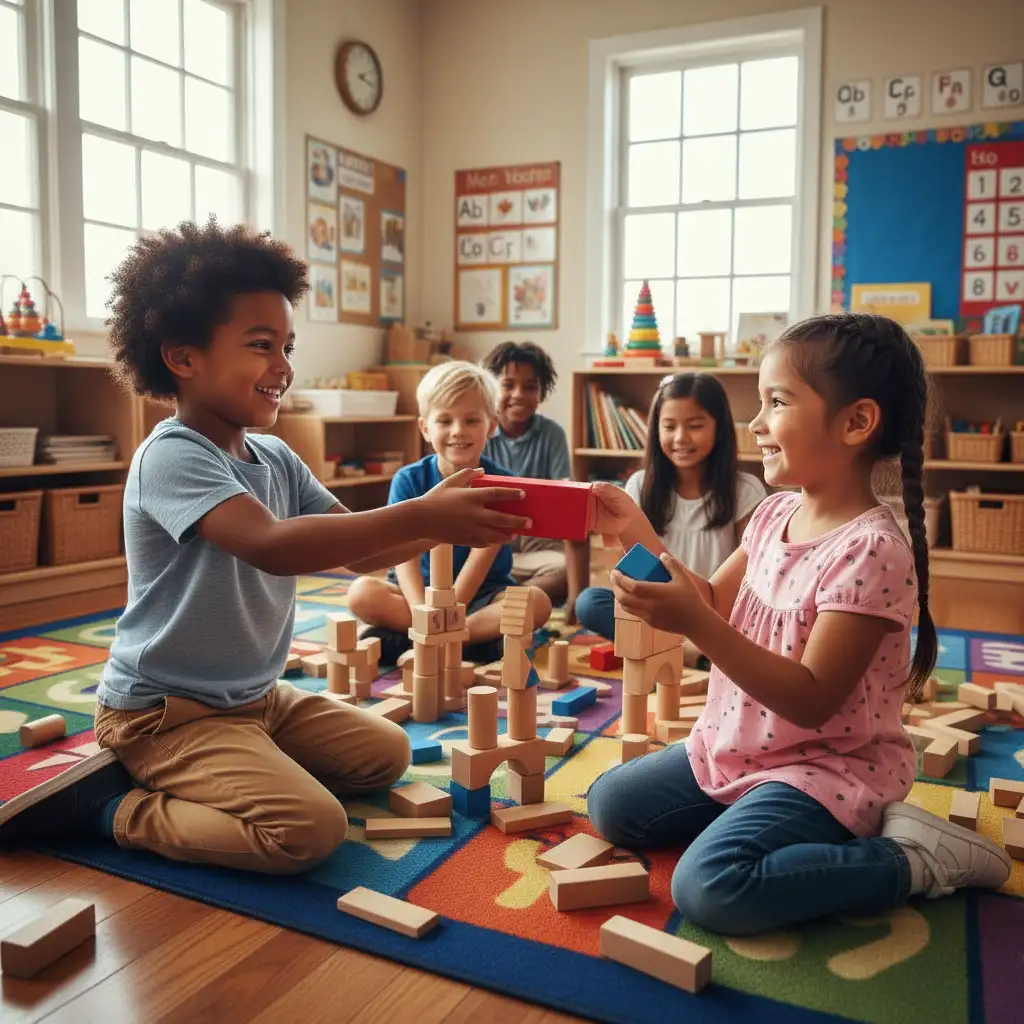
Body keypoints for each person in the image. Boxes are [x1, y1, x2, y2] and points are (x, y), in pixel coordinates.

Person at [0, 221, 529, 873]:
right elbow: (273, 545)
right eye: (260, 346)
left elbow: (362, 554)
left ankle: (231, 766)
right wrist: (426, 511)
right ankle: (110, 810)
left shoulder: (274, 455)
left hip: (256, 699)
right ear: (182, 356)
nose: (283, 367)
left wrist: (452, 520)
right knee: (308, 830)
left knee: (385, 754)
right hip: (167, 714)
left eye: (287, 345)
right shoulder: (171, 456)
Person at [587, 313, 1010, 935]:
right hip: (738, 745)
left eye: (777, 401)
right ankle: (753, 815)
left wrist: (694, 625)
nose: (755, 423)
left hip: (826, 768)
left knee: (710, 888)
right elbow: (709, 597)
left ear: (856, 423)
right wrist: (634, 530)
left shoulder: (871, 550)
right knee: (611, 804)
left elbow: (812, 700)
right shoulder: (772, 513)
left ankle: (909, 859)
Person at [348, 360, 552, 665]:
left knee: (537, 603)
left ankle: (451, 639)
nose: (458, 431)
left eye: (471, 420)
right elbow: (405, 558)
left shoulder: (501, 485)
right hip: (417, 593)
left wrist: (448, 620)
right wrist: (423, 615)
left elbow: (481, 560)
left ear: (491, 425)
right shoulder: (409, 479)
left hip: (482, 594)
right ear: (425, 428)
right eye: (445, 421)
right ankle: (459, 642)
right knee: (361, 592)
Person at [576, 373, 765, 664]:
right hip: (658, 611)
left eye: (695, 425)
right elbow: (634, 563)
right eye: (669, 426)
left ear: (720, 428)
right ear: (655, 430)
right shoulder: (639, 485)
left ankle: (677, 650)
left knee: (757, 621)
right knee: (589, 602)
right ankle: (689, 654)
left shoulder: (745, 490)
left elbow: (750, 580)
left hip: (716, 614)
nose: (681, 438)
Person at [481, 341, 586, 619]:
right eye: (508, 385)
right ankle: (508, 601)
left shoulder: (552, 435)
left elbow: (569, 505)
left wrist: (577, 595)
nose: (519, 395)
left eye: (530, 387)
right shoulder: (479, 431)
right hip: (487, 548)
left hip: (538, 549)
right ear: (491, 387)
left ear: (542, 391)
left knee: (562, 574)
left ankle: (504, 600)